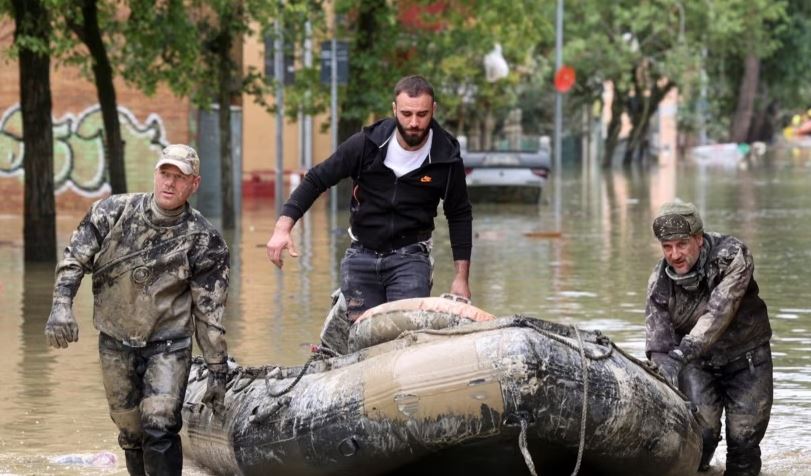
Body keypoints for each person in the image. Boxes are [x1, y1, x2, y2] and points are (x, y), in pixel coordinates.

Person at [44, 144, 230, 476]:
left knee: (160, 425)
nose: (169, 183)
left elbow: (209, 311)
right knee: (131, 433)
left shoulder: (203, 240)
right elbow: (74, 259)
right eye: (165, 173)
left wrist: (217, 370)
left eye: (179, 177)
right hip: (115, 339)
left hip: (169, 343)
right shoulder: (112, 211)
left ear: (194, 184)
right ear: (155, 173)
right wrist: (61, 306)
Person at [266, 74, 472, 324]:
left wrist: (461, 279)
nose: (414, 123)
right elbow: (316, 179)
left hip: (410, 258)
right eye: (406, 114)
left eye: (422, 114)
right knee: (362, 338)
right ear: (394, 109)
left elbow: (459, 215)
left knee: (405, 335)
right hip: (361, 255)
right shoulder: (366, 144)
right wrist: (282, 227)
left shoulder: (446, 157)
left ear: (434, 110)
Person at [645, 201, 773, 476]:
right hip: (697, 364)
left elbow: (718, 314)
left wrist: (682, 352)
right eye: (667, 247)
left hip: (747, 359)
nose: (674, 254)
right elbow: (659, 345)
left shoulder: (732, 256)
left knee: (744, 443)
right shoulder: (660, 281)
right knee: (699, 437)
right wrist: (667, 385)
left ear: (699, 240)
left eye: (681, 244)